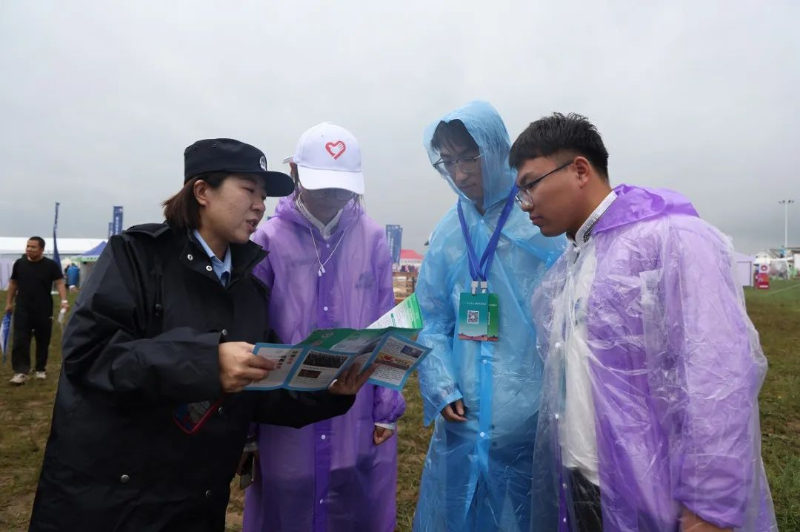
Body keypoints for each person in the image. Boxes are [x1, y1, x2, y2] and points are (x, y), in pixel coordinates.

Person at [29, 138, 373, 532]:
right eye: (249, 190)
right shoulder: (136, 256)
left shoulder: (249, 290)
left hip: (197, 502)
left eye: (263, 196)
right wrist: (209, 362)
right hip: (114, 500)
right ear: (202, 191)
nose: (260, 206)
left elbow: (265, 386)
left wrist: (329, 393)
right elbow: (90, 355)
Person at [511, 113, 777, 531]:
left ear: (580, 170)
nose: (526, 204)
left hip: (657, 496)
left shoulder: (671, 239)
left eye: (531, 184)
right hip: (583, 476)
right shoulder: (572, 261)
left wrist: (710, 505)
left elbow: (715, 376)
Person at [243, 123, 405, 532]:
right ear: (295, 172)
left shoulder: (371, 238)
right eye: (322, 185)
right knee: (288, 496)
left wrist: (386, 407)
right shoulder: (267, 240)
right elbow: (253, 330)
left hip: (355, 399)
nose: (333, 196)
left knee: (352, 495)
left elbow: (387, 323)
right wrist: (249, 426)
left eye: (342, 187)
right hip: (287, 402)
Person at [412, 101, 566, 532]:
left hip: (530, 418)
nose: (460, 173)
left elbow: (566, 318)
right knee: (459, 511)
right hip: (463, 415)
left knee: (528, 515)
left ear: (497, 151)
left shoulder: (538, 222)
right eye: (449, 161)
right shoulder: (448, 232)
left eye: (469, 157)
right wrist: (440, 384)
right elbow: (430, 317)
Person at [4, 236, 67, 384]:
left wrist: (64, 301)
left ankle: (40, 369)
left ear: (41, 249)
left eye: (33, 247)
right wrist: (9, 303)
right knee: (20, 340)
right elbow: (13, 283)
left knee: (43, 340)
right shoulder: (19, 263)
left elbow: (59, 283)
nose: (29, 249)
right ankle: (20, 372)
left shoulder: (50, 265)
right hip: (22, 308)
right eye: (28, 246)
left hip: (43, 308)